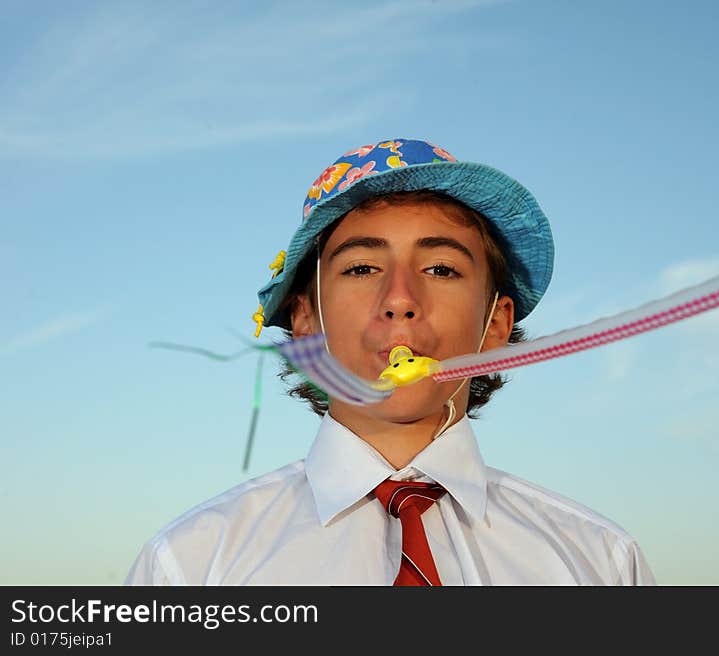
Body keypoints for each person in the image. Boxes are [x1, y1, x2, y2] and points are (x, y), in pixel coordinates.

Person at [125, 138, 655, 585]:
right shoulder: (192, 567)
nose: (400, 298)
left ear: (495, 324)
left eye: (442, 268)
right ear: (306, 319)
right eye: (360, 268)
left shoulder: (600, 564)